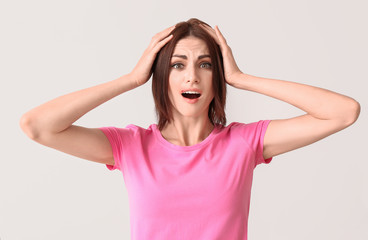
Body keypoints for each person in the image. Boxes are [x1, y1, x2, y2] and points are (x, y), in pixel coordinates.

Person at [20, 18, 360, 239]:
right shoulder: (131, 146)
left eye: (206, 64)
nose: (192, 76)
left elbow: (344, 113)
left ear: (217, 78)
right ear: (162, 76)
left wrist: (242, 78)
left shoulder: (243, 143)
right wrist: (131, 79)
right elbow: (37, 126)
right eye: (178, 65)